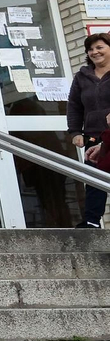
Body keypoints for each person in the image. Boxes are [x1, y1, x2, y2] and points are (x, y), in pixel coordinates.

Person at [68, 32, 110, 228]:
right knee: (94, 180)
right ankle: (92, 221)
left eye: (100, 47)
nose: (95, 52)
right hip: (94, 135)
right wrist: (75, 131)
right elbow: (74, 105)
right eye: (91, 49)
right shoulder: (82, 77)